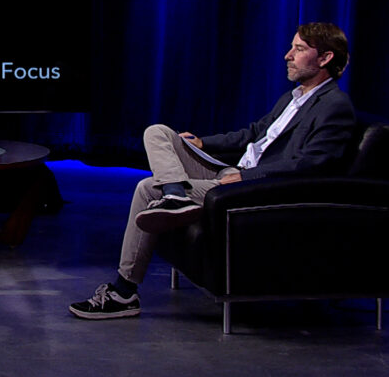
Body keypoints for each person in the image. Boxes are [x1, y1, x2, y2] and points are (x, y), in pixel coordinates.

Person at [70, 22, 356, 320]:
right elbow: (254, 133)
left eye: (298, 49)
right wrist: (204, 143)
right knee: (158, 132)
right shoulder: (293, 97)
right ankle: (175, 194)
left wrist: (245, 178)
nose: (287, 55)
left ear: (324, 59)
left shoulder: (334, 106)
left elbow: (311, 164)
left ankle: (124, 292)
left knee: (145, 188)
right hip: (232, 171)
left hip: (253, 187)